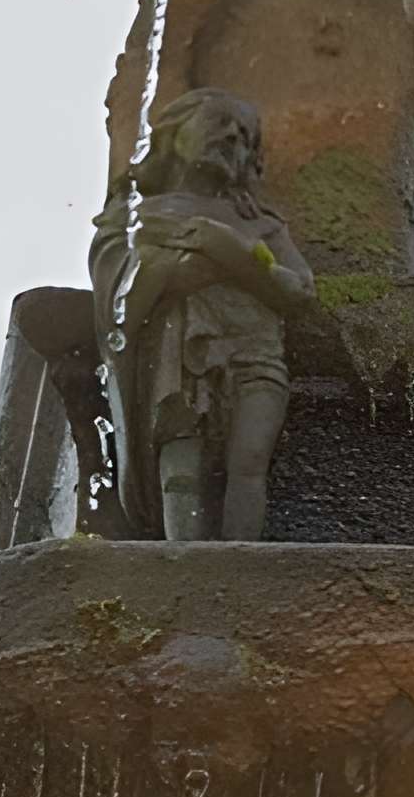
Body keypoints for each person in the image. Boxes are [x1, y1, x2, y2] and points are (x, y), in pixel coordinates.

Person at [89, 90, 314, 544]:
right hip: (177, 356)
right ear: (175, 136)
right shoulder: (136, 218)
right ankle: (184, 562)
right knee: (180, 466)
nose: (233, 137)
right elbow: (121, 302)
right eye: (219, 123)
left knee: (250, 463)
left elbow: (301, 289)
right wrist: (233, 258)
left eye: (245, 136)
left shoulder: (260, 222)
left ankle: (239, 561)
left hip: (256, 352)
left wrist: (221, 246)